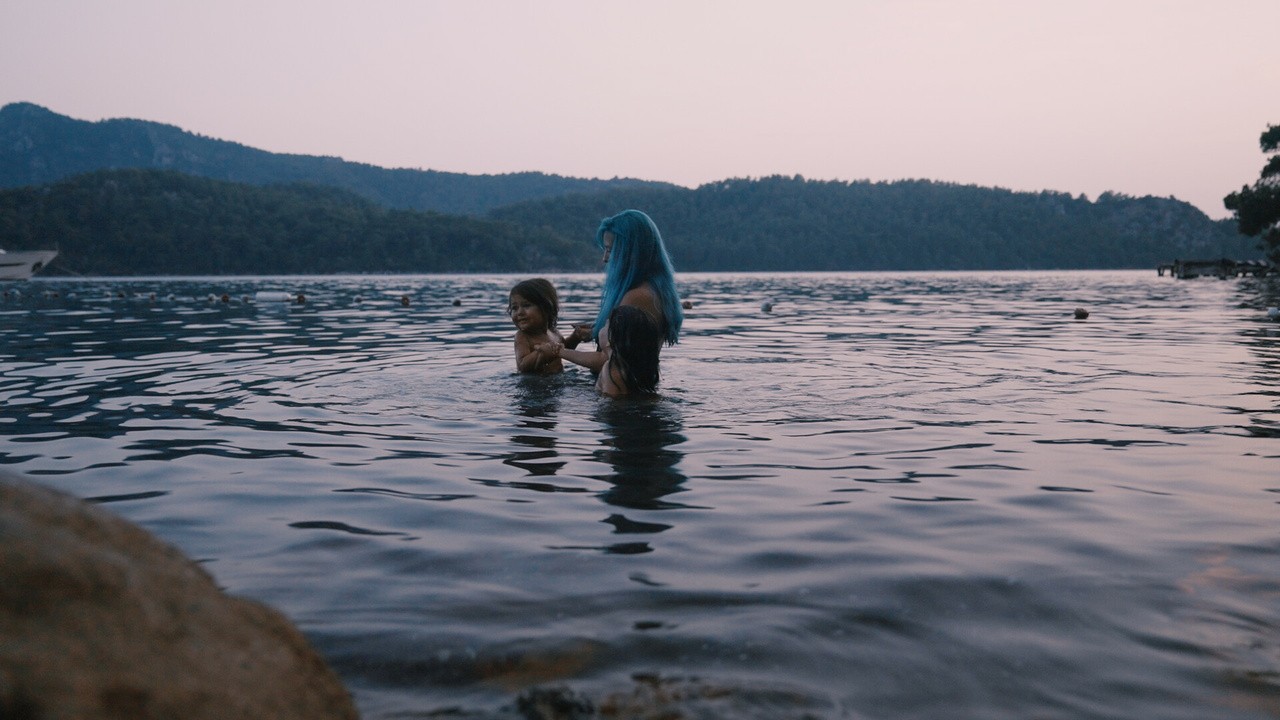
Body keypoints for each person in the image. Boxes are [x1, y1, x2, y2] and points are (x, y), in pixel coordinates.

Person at [559, 209, 683, 393]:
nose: (605, 258)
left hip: (622, 392)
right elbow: (634, 344)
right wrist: (596, 330)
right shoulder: (652, 290)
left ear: (631, 252)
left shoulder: (637, 297)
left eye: (610, 250)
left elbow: (613, 359)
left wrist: (560, 352)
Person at [509, 278, 580, 374]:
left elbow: (565, 350)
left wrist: (576, 337)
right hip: (534, 384)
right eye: (514, 308)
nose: (519, 312)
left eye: (526, 305)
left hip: (558, 380)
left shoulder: (554, 332)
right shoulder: (523, 336)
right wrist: (541, 354)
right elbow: (522, 365)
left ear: (547, 308)